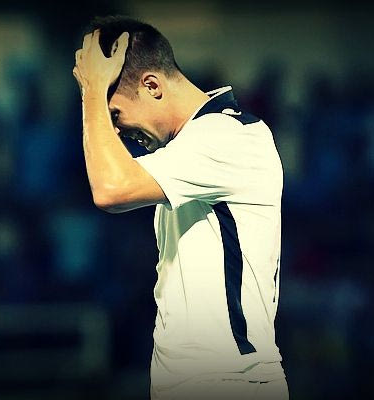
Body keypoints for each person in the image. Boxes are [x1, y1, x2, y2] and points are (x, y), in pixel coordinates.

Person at [72, 16, 288, 399]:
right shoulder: (190, 148)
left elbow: (110, 189)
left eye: (115, 114)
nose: (116, 131)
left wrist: (92, 93)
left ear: (152, 86)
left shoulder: (227, 136)